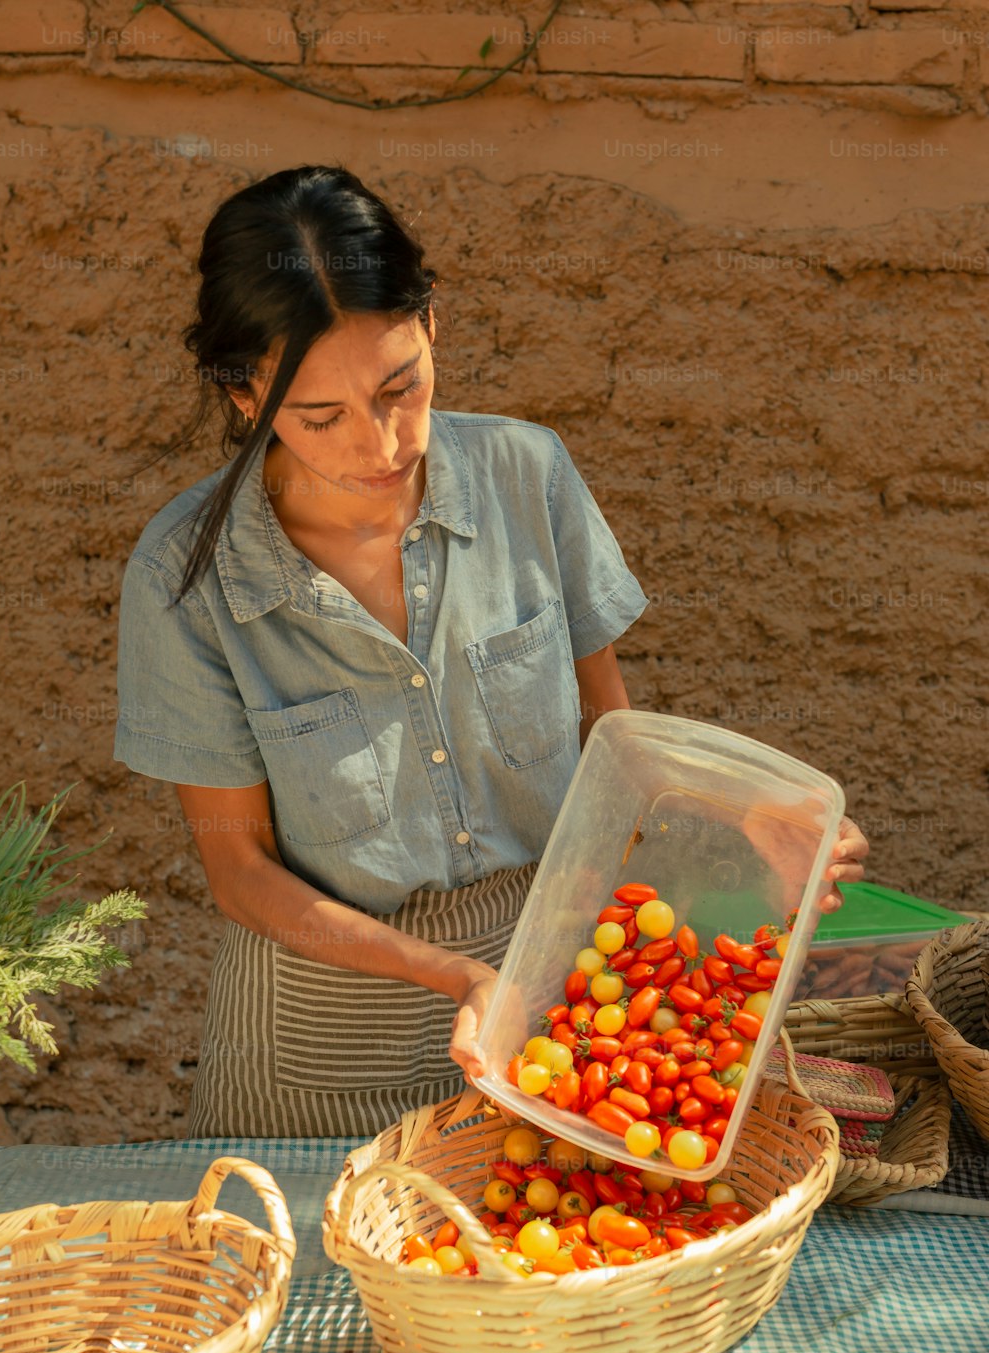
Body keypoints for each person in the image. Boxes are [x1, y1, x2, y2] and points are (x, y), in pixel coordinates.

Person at [114, 164, 868, 1138]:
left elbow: (614, 741)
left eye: (401, 388)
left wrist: (738, 813)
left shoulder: (527, 474)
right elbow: (241, 871)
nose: (380, 444)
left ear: (432, 327)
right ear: (244, 392)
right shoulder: (185, 577)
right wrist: (457, 977)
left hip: (541, 1003)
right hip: (312, 1050)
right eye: (318, 417)